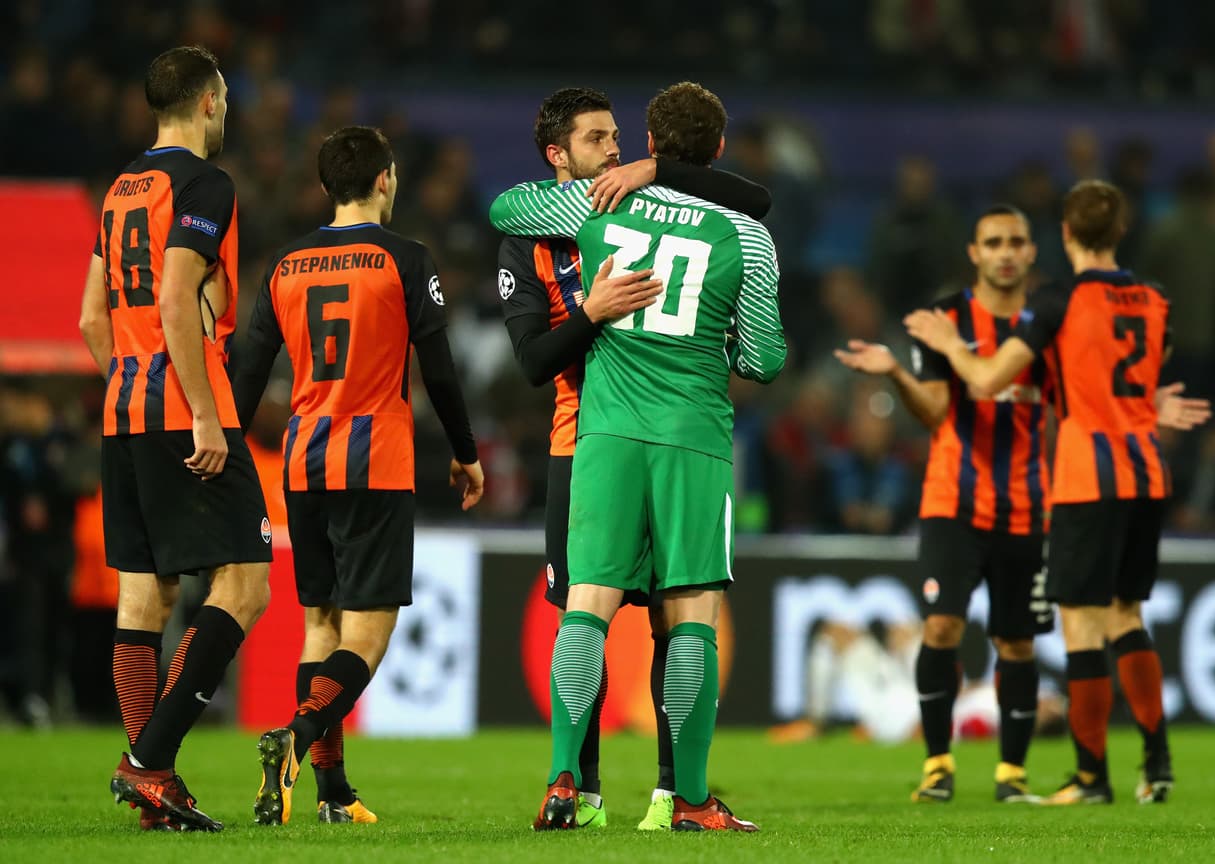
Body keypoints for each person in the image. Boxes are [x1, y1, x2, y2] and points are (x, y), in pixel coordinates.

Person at [491, 81, 786, 832]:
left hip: (605, 431)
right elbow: (765, 359)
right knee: (688, 617)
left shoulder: (604, 201)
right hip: (692, 436)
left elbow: (505, 210)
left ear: (649, 145)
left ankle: (565, 782)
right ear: (718, 149)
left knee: (586, 607)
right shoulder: (746, 235)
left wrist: (636, 181)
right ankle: (684, 800)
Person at [906, 180, 1212, 805]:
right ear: (1121, 231)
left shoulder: (1058, 300)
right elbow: (1129, 373)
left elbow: (990, 377)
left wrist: (945, 346)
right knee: (1128, 616)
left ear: (1065, 234)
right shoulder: (1155, 299)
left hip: (1084, 477)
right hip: (1147, 472)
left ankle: (1091, 776)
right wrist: (1151, 404)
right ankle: (1156, 766)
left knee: (1081, 625)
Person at [231, 125, 484, 825]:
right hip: (375, 458)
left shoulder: (284, 265)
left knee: (320, 622)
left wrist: (224, 447)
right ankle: (296, 738)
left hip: (303, 460)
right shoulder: (406, 259)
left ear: (325, 187)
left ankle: (332, 793)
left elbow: (248, 372)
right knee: (367, 634)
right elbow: (438, 367)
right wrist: (466, 451)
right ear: (384, 180)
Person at [77, 45, 272, 832]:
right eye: (222, 99)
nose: (226, 111)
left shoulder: (122, 188)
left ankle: (151, 779)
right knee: (246, 582)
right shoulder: (204, 183)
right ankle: (150, 761)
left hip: (123, 409)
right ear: (206, 103)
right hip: (183, 411)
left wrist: (130, 383)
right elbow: (175, 294)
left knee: (144, 593)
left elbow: (93, 318)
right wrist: (196, 408)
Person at [838, 205, 1053, 803]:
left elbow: (1061, 408)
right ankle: (938, 764)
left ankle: (1011, 774)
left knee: (1016, 643)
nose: (1006, 251)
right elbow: (934, 411)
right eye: (994, 242)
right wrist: (895, 375)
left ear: (1031, 252)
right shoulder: (948, 318)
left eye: (1017, 241)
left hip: (1025, 506)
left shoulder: (1043, 325)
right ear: (974, 252)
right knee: (941, 625)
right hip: (952, 502)